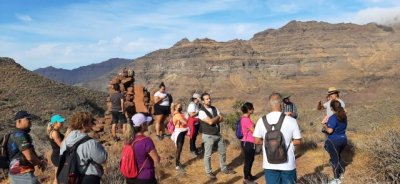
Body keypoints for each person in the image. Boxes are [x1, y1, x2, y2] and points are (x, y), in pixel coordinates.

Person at [253, 93, 302, 184]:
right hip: (287, 164)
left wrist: (269, 143)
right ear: (281, 104)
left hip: (269, 163)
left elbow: (256, 140)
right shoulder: (291, 120)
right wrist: (289, 144)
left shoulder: (261, 120)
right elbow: (298, 141)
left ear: (270, 104)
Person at [59, 112, 107, 184]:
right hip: (89, 177)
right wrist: (101, 147)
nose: (91, 125)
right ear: (83, 125)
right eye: (90, 122)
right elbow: (102, 158)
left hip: (71, 177)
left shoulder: (65, 141)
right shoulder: (89, 142)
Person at [199, 93, 236, 179]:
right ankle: (209, 172)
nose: (209, 100)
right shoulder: (201, 111)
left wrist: (216, 119)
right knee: (208, 155)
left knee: (222, 152)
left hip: (217, 134)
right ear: (203, 101)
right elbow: (210, 122)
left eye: (209, 98)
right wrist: (217, 118)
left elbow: (222, 118)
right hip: (208, 135)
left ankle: (224, 168)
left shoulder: (214, 108)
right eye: (207, 99)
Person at [7, 110, 47, 184]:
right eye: (27, 119)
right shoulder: (20, 135)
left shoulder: (15, 133)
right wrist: (40, 163)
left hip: (16, 173)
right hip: (22, 174)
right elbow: (29, 157)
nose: (30, 121)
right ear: (19, 121)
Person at [123, 113, 160, 184]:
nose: (148, 124)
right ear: (142, 125)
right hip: (145, 178)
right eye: (146, 122)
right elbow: (156, 160)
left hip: (130, 178)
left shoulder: (128, 140)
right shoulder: (146, 141)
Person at [321, 100, 347, 184]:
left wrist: (324, 124)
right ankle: (341, 173)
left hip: (334, 141)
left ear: (332, 108)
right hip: (343, 139)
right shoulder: (344, 116)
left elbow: (330, 131)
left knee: (334, 159)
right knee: (338, 157)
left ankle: (336, 179)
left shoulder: (333, 117)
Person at [240, 102, 257, 184]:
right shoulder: (246, 120)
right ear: (249, 110)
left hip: (248, 142)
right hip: (248, 143)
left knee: (250, 159)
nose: (253, 109)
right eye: (252, 108)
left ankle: (249, 175)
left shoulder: (244, 118)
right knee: (248, 160)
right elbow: (254, 132)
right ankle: (246, 179)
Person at [170, 102, 189, 171]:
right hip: (179, 132)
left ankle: (178, 163)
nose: (180, 108)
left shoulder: (178, 113)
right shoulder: (178, 115)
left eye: (181, 106)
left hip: (181, 132)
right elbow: (185, 122)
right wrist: (187, 118)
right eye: (179, 107)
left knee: (179, 149)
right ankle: (177, 165)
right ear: (175, 108)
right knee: (179, 149)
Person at [47, 114, 65, 184]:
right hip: (58, 157)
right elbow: (62, 145)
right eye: (60, 122)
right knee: (59, 177)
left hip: (57, 156)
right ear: (55, 123)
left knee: (57, 178)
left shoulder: (55, 132)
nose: (62, 123)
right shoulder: (55, 133)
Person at [187, 93, 202, 157]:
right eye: (198, 99)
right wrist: (198, 112)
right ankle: (192, 150)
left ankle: (194, 149)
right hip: (193, 123)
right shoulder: (192, 105)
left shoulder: (195, 104)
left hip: (196, 123)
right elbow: (191, 115)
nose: (198, 100)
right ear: (195, 99)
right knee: (192, 137)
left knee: (194, 137)